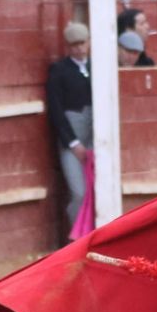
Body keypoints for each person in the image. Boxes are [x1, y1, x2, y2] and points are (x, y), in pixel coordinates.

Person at [47, 22, 94, 231]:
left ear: (89, 42)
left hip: (96, 138)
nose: (79, 48)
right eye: (74, 45)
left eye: (82, 43)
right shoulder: (59, 71)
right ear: (67, 46)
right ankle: (78, 235)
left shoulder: (96, 66)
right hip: (71, 141)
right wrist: (73, 143)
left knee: (97, 190)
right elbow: (56, 111)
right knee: (79, 192)